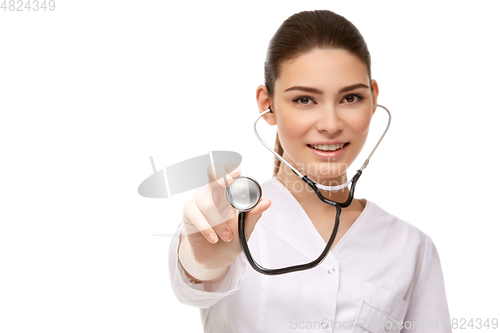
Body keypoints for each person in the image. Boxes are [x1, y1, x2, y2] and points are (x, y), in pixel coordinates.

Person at [168, 9, 451, 332]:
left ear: (373, 100)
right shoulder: (226, 219)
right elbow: (191, 281)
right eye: (304, 100)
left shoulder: (412, 248)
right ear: (267, 105)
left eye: (351, 98)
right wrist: (202, 261)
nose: (331, 125)